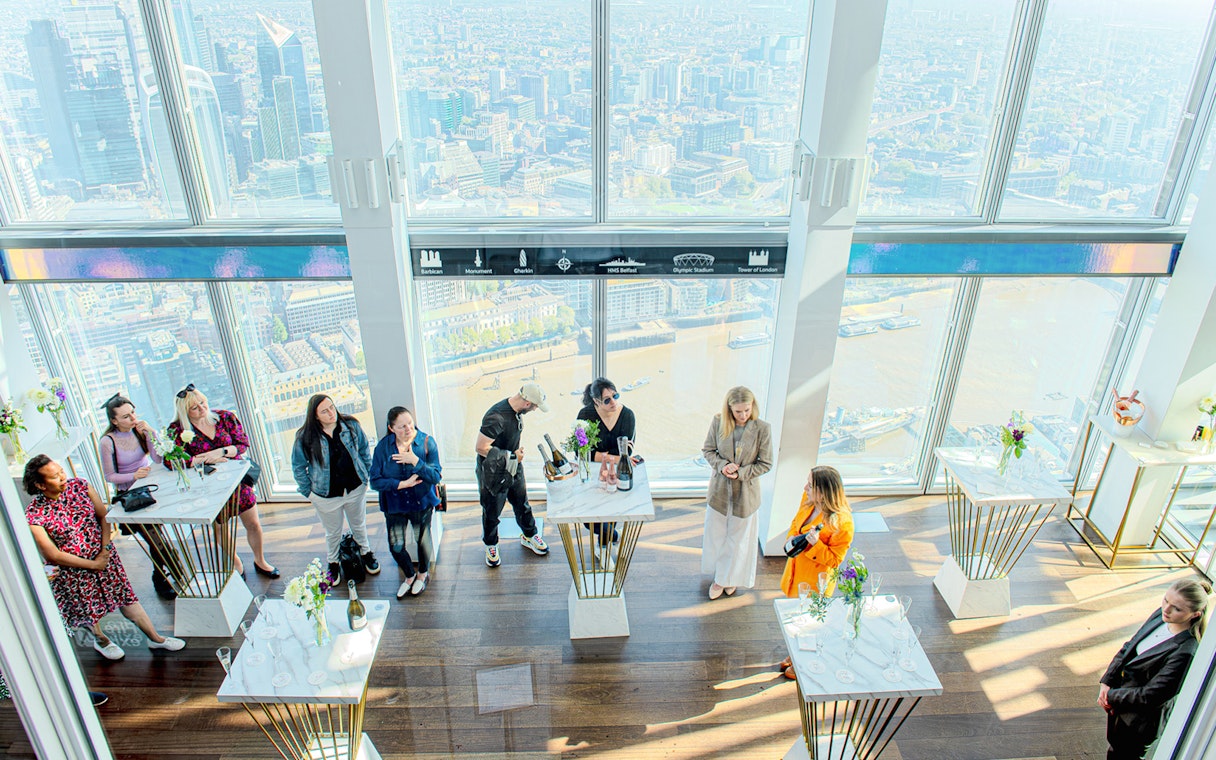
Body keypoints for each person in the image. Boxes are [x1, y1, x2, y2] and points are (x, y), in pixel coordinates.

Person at [23, 455, 185, 661]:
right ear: (40, 485)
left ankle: (156, 638)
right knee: (88, 612)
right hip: (74, 570)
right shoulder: (34, 514)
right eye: (55, 477)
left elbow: (103, 515)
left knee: (127, 598)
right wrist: (92, 564)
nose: (63, 477)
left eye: (62, 471)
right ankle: (102, 642)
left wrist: (105, 549)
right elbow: (52, 554)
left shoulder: (80, 486)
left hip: (104, 556)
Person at [168, 385, 277, 578]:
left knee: (253, 523)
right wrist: (204, 458)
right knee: (220, 528)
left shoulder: (225, 417)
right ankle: (235, 563)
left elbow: (242, 444)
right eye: (195, 407)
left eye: (203, 402)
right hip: (208, 487)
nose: (202, 409)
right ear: (185, 411)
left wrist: (221, 452)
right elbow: (170, 461)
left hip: (237, 481)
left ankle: (260, 560)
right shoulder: (177, 430)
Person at [1099, 578, 1210, 760]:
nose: (1166, 609)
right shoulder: (1161, 616)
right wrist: (1107, 681)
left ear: (1195, 615)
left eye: (1177, 608)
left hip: (1138, 723)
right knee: (1114, 750)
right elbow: (1130, 646)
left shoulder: (1186, 652)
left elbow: (1149, 696)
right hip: (1121, 704)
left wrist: (1110, 696)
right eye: (1166, 600)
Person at [777, 465, 854, 679]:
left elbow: (835, 560)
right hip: (796, 572)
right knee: (795, 619)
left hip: (814, 581)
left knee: (809, 622)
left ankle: (803, 662)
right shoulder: (808, 499)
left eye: (810, 485)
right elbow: (796, 522)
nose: (805, 487)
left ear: (823, 491)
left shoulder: (843, 523)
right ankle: (794, 653)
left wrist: (815, 546)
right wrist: (793, 540)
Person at [292, 394, 379, 581]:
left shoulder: (351, 426)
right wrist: (309, 493)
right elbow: (298, 467)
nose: (331, 413)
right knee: (333, 532)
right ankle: (333, 562)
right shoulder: (304, 437)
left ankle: (366, 553)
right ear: (315, 416)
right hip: (325, 495)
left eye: (332, 407)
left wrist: (367, 476)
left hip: (355, 488)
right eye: (324, 411)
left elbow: (364, 450)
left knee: (359, 525)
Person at [98, 393, 176, 599]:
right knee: (157, 540)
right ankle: (178, 574)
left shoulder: (139, 430)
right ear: (114, 421)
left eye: (132, 413)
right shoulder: (107, 442)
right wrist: (133, 475)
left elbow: (158, 458)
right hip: (131, 496)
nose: (132, 418)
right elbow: (109, 476)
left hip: (151, 487)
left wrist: (151, 433)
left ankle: (161, 577)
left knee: (157, 539)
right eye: (125, 417)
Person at [701, 386, 772, 600]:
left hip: (746, 495)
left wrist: (740, 473)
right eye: (738, 411)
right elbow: (708, 450)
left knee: (739, 539)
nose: (742, 416)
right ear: (729, 409)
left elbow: (766, 463)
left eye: (747, 410)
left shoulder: (762, 429)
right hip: (720, 492)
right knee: (717, 535)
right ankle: (723, 576)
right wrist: (722, 466)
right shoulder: (718, 422)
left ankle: (725, 579)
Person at [370, 407, 441, 599]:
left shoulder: (426, 442)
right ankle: (409, 575)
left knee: (422, 540)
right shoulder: (383, 448)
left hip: (421, 502)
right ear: (391, 428)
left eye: (410, 423)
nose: (408, 428)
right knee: (396, 546)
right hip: (395, 505)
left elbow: (435, 476)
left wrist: (415, 461)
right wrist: (402, 484)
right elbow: (374, 481)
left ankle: (423, 574)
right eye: (401, 426)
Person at [476, 383, 550, 568]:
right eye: (534, 407)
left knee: (521, 503)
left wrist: (515, 457)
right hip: (493, 472)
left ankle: (529, 534)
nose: (534, 410)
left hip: (514, 466)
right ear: (527, 403)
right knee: (492, 510)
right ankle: (491, 544)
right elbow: (480, 447)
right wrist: (511, 455)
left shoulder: (516, 412)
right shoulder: (496, 417)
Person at [576, 377, 637, 546]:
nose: (613, 402)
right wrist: (614, 457)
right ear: (596, 401)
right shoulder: (585, 415)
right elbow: (581, 452)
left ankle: (604, 546)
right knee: (589, 520)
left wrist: (600, 455)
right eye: (607, 400)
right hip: (592, 474)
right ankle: (611, 536)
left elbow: (626, 451)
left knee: (611, 510)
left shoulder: (627, 415)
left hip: (616, 472)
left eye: (615, 396)